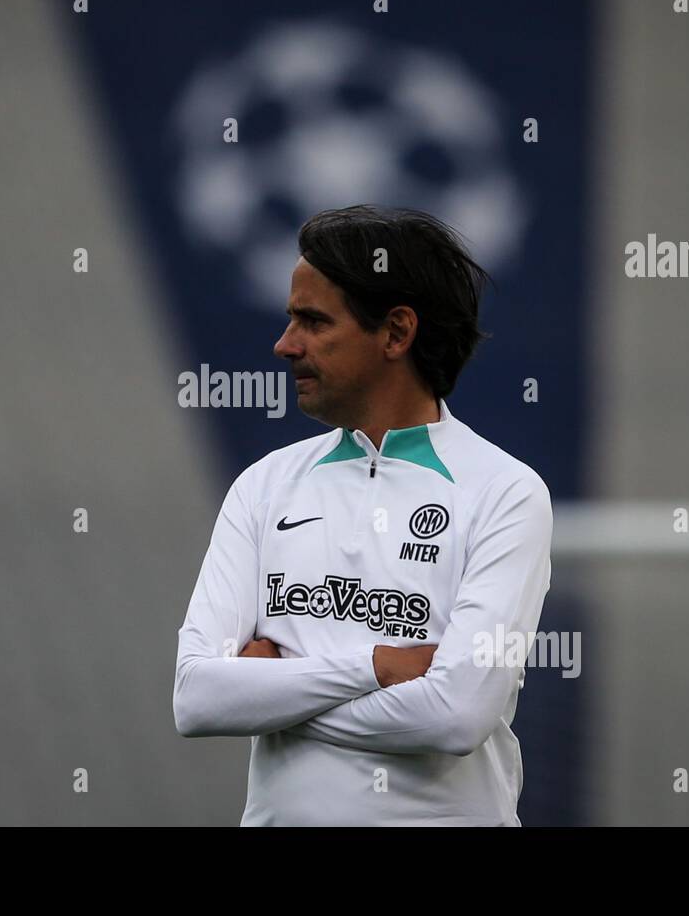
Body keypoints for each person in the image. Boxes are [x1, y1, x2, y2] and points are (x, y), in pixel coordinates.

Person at [173, 204, 553, 826]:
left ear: (397, 333)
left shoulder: (505, 492)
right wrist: (376, 666)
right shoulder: (263, 486)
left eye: (312, 321)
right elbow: (197, 700)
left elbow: (455, 715)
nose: (284, 344)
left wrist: (275, 692)